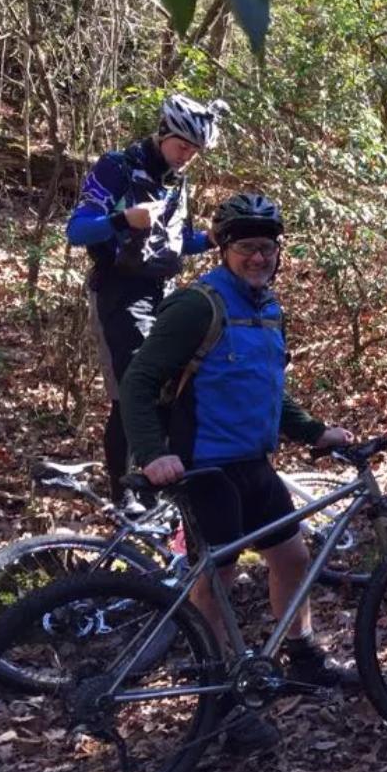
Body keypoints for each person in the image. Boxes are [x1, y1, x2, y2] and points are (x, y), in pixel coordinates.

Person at [120, 193, 356, 755]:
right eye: (248, 248)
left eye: (268, 248)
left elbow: (268, 387)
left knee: (293, 557)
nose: (259, 258)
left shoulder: (268, 307)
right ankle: (221, 701)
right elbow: (138, 379)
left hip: (253, 462)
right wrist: (152, 452)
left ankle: (301, 655)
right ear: (225, 249)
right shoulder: (198, 306)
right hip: (204, 467)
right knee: (217, 579)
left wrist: (312, 430)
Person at [67, 94, 227, 503]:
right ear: (163, 134)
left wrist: (209, 240)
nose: (188, 156)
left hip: (165, 292)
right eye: (183, 146)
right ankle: (124, 496)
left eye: (196, 150)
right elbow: (77, 230)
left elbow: (171, 245)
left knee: (172, 385)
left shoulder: (178, 181)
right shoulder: (116, 167)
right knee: (135, 387)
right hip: (119, 292)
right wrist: (122, 218)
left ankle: (156, 486)